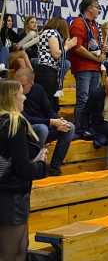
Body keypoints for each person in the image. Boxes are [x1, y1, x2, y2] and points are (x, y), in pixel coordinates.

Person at [0, 80, 47, 260]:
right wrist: (41, 165)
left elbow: (9, 162)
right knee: (14, 252)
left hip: (6, 193)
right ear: (12, 97)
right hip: (12, 197)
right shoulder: (14, 122)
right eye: (21, 93)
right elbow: (22, 169)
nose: (24, 97)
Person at [15, 68, 75, 176]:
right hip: (26, 130)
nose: (19, 88)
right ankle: (34, 168)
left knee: (69, 127)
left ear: (31, 83)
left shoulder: (38, 89)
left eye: (22, 85)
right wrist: (51, 122)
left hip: (45, 126)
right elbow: (25, 119)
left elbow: (48, 109)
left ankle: (54, 168)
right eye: (17, 84)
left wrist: (59, 121)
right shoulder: (14, 94)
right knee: (42, 128)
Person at [69, 0, 107, 135]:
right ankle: (80, 128)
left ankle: (90, 126)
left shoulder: (96, 25)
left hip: (95, 68)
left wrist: (102, 49)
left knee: (93, 100)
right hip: (83, 67)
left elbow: (94, 46)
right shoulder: (78, 23)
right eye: (97, 6)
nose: (99, 9)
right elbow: (77, 48)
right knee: (83, 98)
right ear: (89, 8)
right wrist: (96, 58)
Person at [35, 17, 77, 112]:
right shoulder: (52, 32)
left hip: (44, 69)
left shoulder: (45, 32)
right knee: (49, 101)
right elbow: (56, 54)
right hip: (47, 70)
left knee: (47, 101)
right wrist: (67, 46)